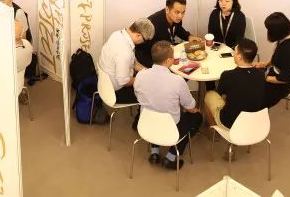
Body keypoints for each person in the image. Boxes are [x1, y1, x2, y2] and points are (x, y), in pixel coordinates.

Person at [134, 41, 203, 169]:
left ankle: (154, 152)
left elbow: (138, 96)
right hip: (170, 125)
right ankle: (171, 157)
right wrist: (193, 110)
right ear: (168, 60)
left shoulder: (141, 75)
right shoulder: (177, 81)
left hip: (146, 122)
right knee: (197, 117)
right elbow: (189, 105)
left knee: (154, 109)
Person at [204, 38, 265, 139]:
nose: (233, 54)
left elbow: (220, 94)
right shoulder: (261, 74)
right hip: (253, 121)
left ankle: (214, 132)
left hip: (229, 122)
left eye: (235, 52)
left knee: (209, 94)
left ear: (239, 57)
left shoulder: (228, 75)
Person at [100, 19, 155, 105]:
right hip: (115, 91)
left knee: (149, 78)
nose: (144, 43)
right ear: (138, 35)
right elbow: (124, 82)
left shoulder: (117, 34)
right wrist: (143, 78)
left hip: (104, 82)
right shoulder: (125, 51)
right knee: (153, 91)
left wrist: (146, 71)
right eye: (145, 40)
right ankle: (140, 113)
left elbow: (133, 62)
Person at [135, 0, 198, 68]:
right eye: (177, 12)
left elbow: (178, 29)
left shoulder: (176, 19)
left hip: (167, 49)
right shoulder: (154, 24)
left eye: (183, 12)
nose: (180, 16)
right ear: (167, 9)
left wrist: (188, 36)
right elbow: (144, 49)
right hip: (150, 56)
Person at [256, 12, 290, 108]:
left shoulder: (289, 50)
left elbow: (284, 79)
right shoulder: (289, 35)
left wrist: (264, 77)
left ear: (277, 31)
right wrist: (265, 64)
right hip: (273, 72)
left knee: (255, 98)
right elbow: (277, 56)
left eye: (269, 30)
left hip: (280, 84)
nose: (268, 32)